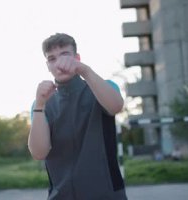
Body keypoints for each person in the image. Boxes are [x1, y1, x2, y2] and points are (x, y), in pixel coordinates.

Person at [28, 33, 127, 200]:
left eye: (65, 55)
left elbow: (116, 106)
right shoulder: (42, 104)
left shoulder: (102, 88)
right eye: (52, 59)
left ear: (77, 57)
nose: (59, 62)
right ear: (48, 66)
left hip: (107, 195)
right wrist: (39, 106)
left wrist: (84, 70)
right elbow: (39, 153)